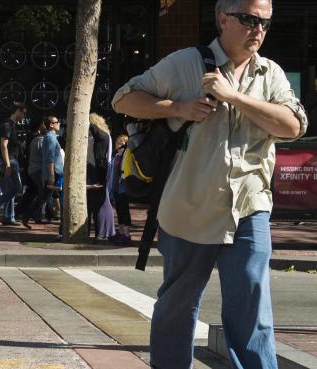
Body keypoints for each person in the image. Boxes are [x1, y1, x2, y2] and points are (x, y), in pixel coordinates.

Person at [112, 0, 308, 367]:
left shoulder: (270, 73)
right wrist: (176, 107)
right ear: (222, 19)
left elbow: (293, 126)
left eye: (266, 22)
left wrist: (234, 96)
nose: (258, 29)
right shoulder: (185, 62)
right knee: (178, 306)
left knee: (252, 308)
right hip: (188, 208)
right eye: (249, 19)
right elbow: (124, 99)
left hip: (249, 209)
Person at [0, 102, 25, 226]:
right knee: (16, 187)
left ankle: (8, 216)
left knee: (10, 188)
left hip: (11, 159)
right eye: (23, 112)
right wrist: (8, 164)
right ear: (17, 111)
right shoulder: (7, 125)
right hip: (10, 160)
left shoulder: (10, 125)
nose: (24, 116)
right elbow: (4, 145)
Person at [86, 113, 111, 240]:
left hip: (95, 172)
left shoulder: (100, 137)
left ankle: (95, 233)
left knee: (92, 206)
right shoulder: (106, 136)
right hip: (100, 172)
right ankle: (99, 234)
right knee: (97, 206)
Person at [108, 134, 132, 245]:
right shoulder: (116, 156)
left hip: (123, 189)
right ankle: (121, 232)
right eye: (117, 143)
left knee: (124, 211)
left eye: (121, 143)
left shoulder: (126, 156)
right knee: (119, 211)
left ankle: (127, 234)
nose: (118, 145)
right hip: (115, 189)